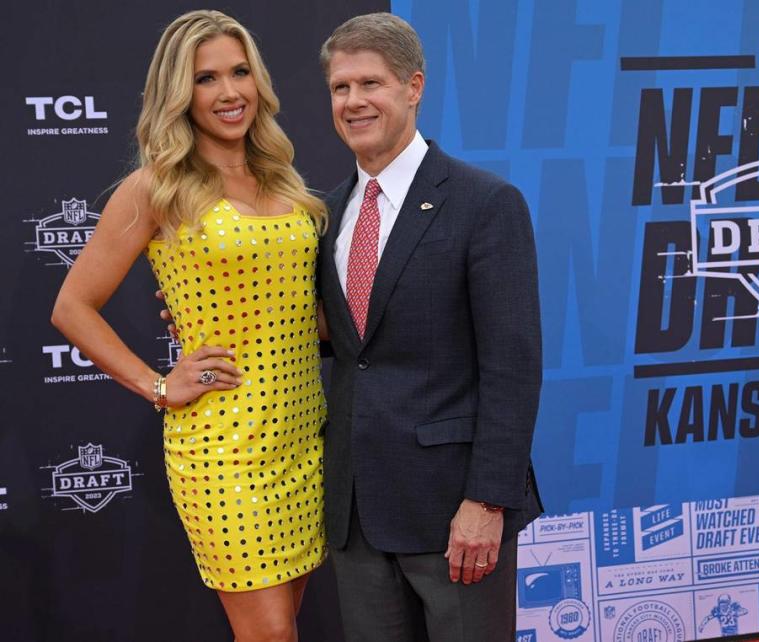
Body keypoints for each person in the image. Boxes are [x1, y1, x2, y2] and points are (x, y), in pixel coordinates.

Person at [51, 10, 328, 642]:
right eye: (207, 79)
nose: (230, 92)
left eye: (239, 73)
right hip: (225, 448)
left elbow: (304, 311)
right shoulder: (156, 188)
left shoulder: (283, 179)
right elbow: (72, 306)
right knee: (270, 637)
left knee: (284, 628)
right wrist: (158, 385)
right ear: (181, 94)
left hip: (305, 437)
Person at [317, 13, 543, 641]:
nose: (354, 102)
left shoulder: (485, 203)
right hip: (355, 512)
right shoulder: (324, 213)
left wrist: (487, 501)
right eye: (341, 88)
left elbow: (513, 365)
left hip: (453, 512)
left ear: (413, 87)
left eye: (371, 84)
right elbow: (338, 336)